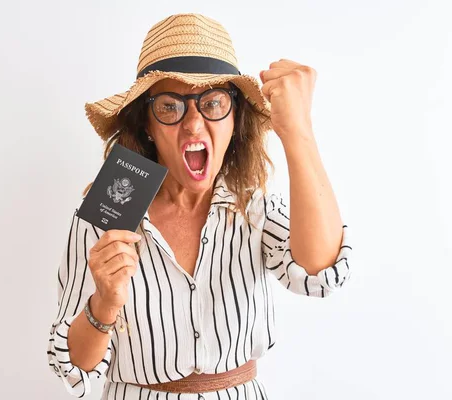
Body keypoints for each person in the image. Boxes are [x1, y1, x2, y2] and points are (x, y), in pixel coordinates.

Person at [47, 13, 352, 399]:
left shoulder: (252, 206)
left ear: (235, 119)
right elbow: (72, 367)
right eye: (171, 107)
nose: (193, 125)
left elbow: (320, 273)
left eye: (212, 103)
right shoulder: (106, 217)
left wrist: (298, 131)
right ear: (147, 125)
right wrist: (104, 305)